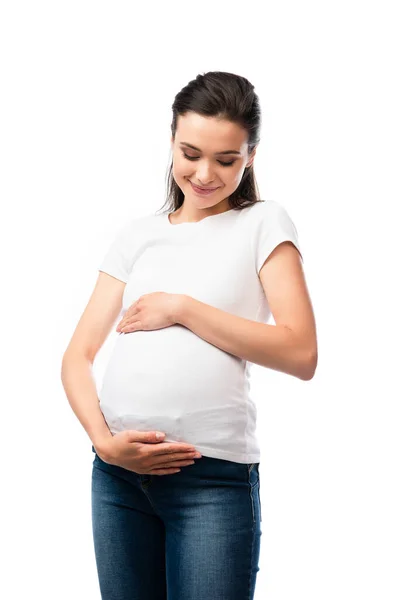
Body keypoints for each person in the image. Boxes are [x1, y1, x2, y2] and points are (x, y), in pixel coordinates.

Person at [61, 71, 318, 600]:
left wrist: (182, 308)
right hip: (116, 481)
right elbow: (76, 357)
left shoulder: (264, 223)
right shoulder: (138, 236)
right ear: (172, 142)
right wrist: (105, 445)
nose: (204, 174)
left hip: (212, 481)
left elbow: (301, 352)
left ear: (250, 156)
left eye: (226, 160)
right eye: (190, 153)